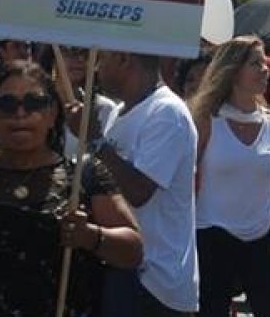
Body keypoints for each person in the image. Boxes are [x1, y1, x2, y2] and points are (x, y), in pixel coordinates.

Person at [0, 61, 143, 317]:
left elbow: (133, 251)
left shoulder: (83, 178)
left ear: (53, 114)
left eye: (34, 103)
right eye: (7, 105)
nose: (20, 114)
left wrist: (92, 236)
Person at [80, 50, 200, 317]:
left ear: (124, 59)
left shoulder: (166, 112)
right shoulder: (121, 113)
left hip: (154, 282)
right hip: (125, 270)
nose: (97, 68)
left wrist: (97, 142)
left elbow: (139, 192)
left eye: (103, 59)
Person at [191, 36, 270, 317]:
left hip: (261, 239)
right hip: (211, 236)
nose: (265, 70)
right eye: (255, 63)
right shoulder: (205, 121)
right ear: (233, 71)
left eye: (264, 63)